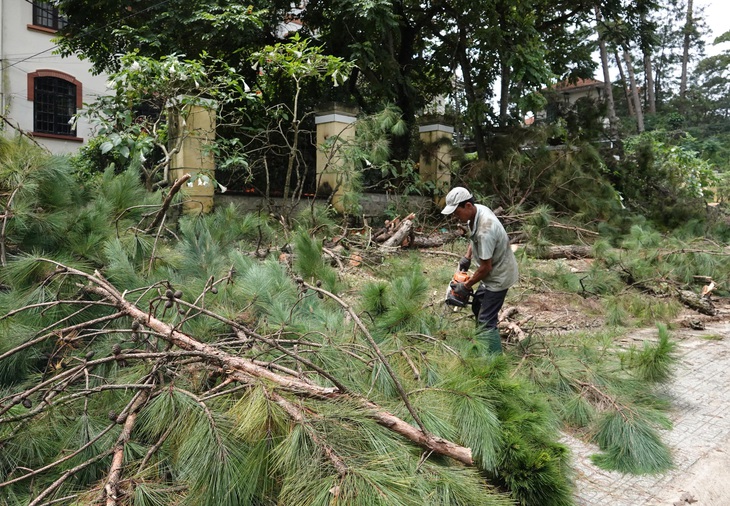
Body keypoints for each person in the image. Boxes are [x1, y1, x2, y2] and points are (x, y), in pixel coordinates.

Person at [441, 187, 519, 354]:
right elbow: (473, 237)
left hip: (499, 276)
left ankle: (495, 360)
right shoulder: (477, 212)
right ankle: (484, 342)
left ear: (467, 205)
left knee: (486, 320)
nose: (455, 216)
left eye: (456, 212)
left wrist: (466, 286)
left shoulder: (486, 230)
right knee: (478, 304)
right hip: (493, 270)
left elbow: (485, 268)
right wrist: (467, 257)